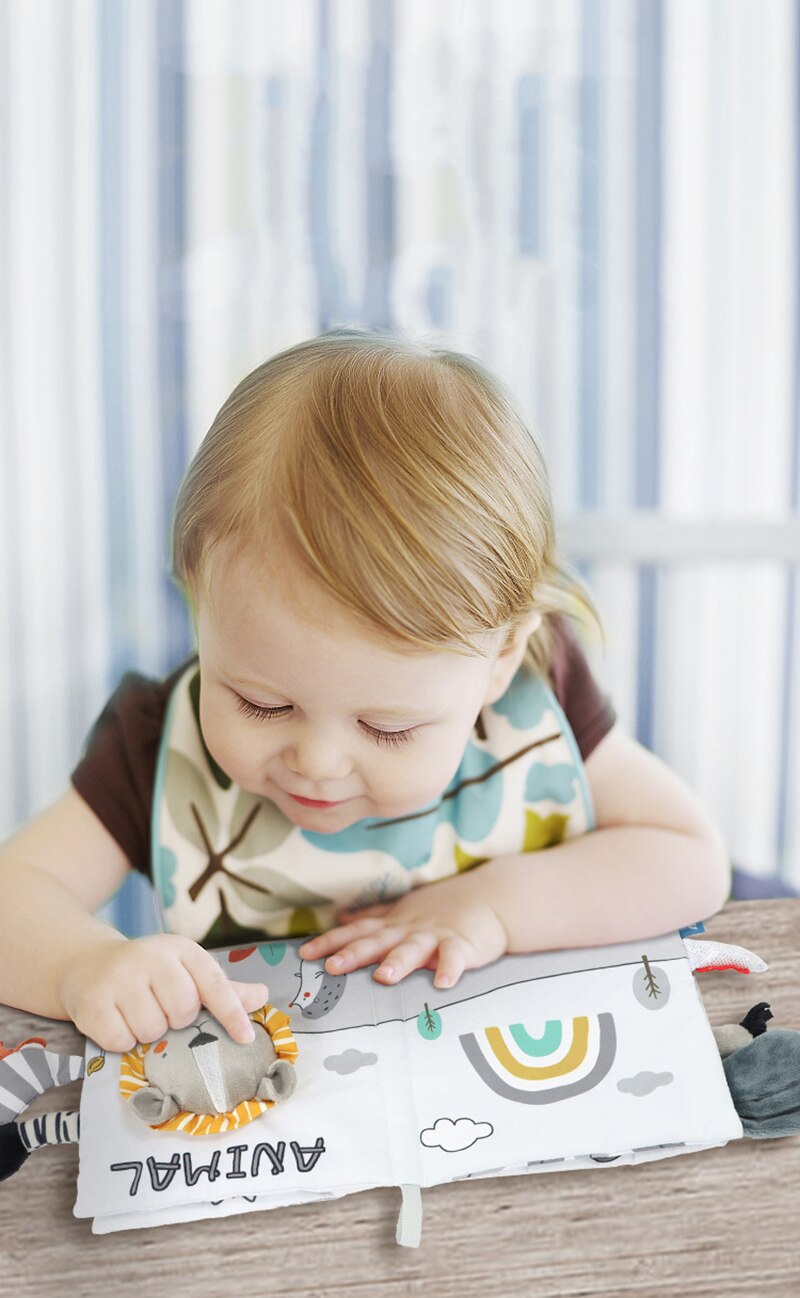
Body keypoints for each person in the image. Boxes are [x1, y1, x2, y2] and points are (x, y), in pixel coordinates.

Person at [0, 327, 731, 1057]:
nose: (317, 762)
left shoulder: (536, 699)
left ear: (500, 658)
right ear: (200, 605)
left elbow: (688, 858)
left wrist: (496, 907)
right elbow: (18, 891)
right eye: (262, 703)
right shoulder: (157, 744)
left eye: (387, 727)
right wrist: (80, 964)